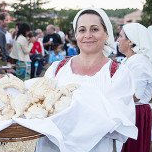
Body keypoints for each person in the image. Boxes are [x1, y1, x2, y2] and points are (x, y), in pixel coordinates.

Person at [36, 8, 137, 152]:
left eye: (94, 29)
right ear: (76, 34)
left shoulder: (118, 74)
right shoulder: (57, 69)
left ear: (106, 33)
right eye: (82, 30)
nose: (88, 35)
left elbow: (119, 123)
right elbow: (40, 109)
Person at [118, 23, 152, 152]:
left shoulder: (139, 62)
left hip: (135, 114)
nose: (118, 40)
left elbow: (136, 96)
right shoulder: (128, 60)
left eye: (120, 36)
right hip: (128, 111)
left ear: (130, 41)